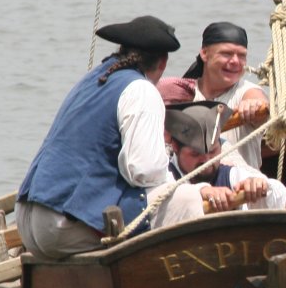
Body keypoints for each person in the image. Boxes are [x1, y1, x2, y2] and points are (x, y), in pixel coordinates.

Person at [15, 15, 178, 259]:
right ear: (163, 62)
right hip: (61, 225)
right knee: (183, 198)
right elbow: (143, 170)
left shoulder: (95, 78)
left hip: (26, 220)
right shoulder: (142, 90)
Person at [150, 101, 286, 228]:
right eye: (195, 154)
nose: (207, 160)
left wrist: (260, 185)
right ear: (175, 146)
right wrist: (199, 192)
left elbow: (278, 194)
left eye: (213, 151)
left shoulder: (231, 175)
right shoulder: (163, 176)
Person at [179, 21, 269, 168]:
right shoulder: (185, 91)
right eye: (226, 54)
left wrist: (253, 105)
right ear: (204, 53)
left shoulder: (246, 91)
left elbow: (260, 102)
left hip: (243, 186)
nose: (235, 61)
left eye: (242, 56)